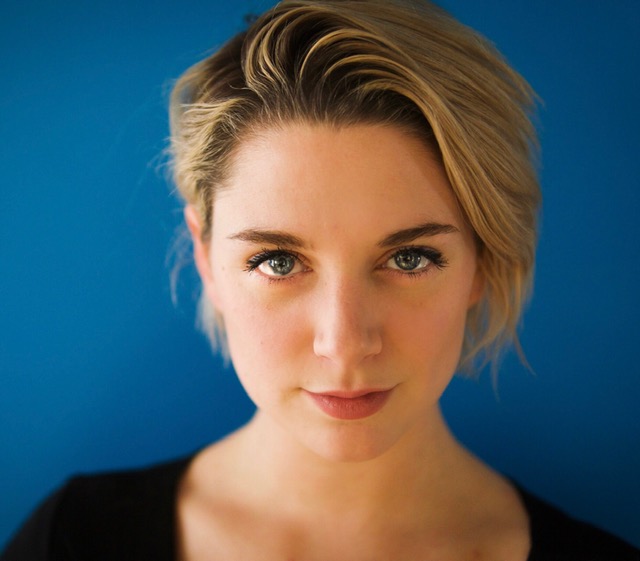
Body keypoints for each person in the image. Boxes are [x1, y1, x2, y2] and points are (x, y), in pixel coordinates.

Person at [2, 0, 638, 559]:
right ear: (206, 257)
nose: (344, 343)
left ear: (484, 261)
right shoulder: (73, 542)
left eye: (410, 258)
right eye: (278, 261)